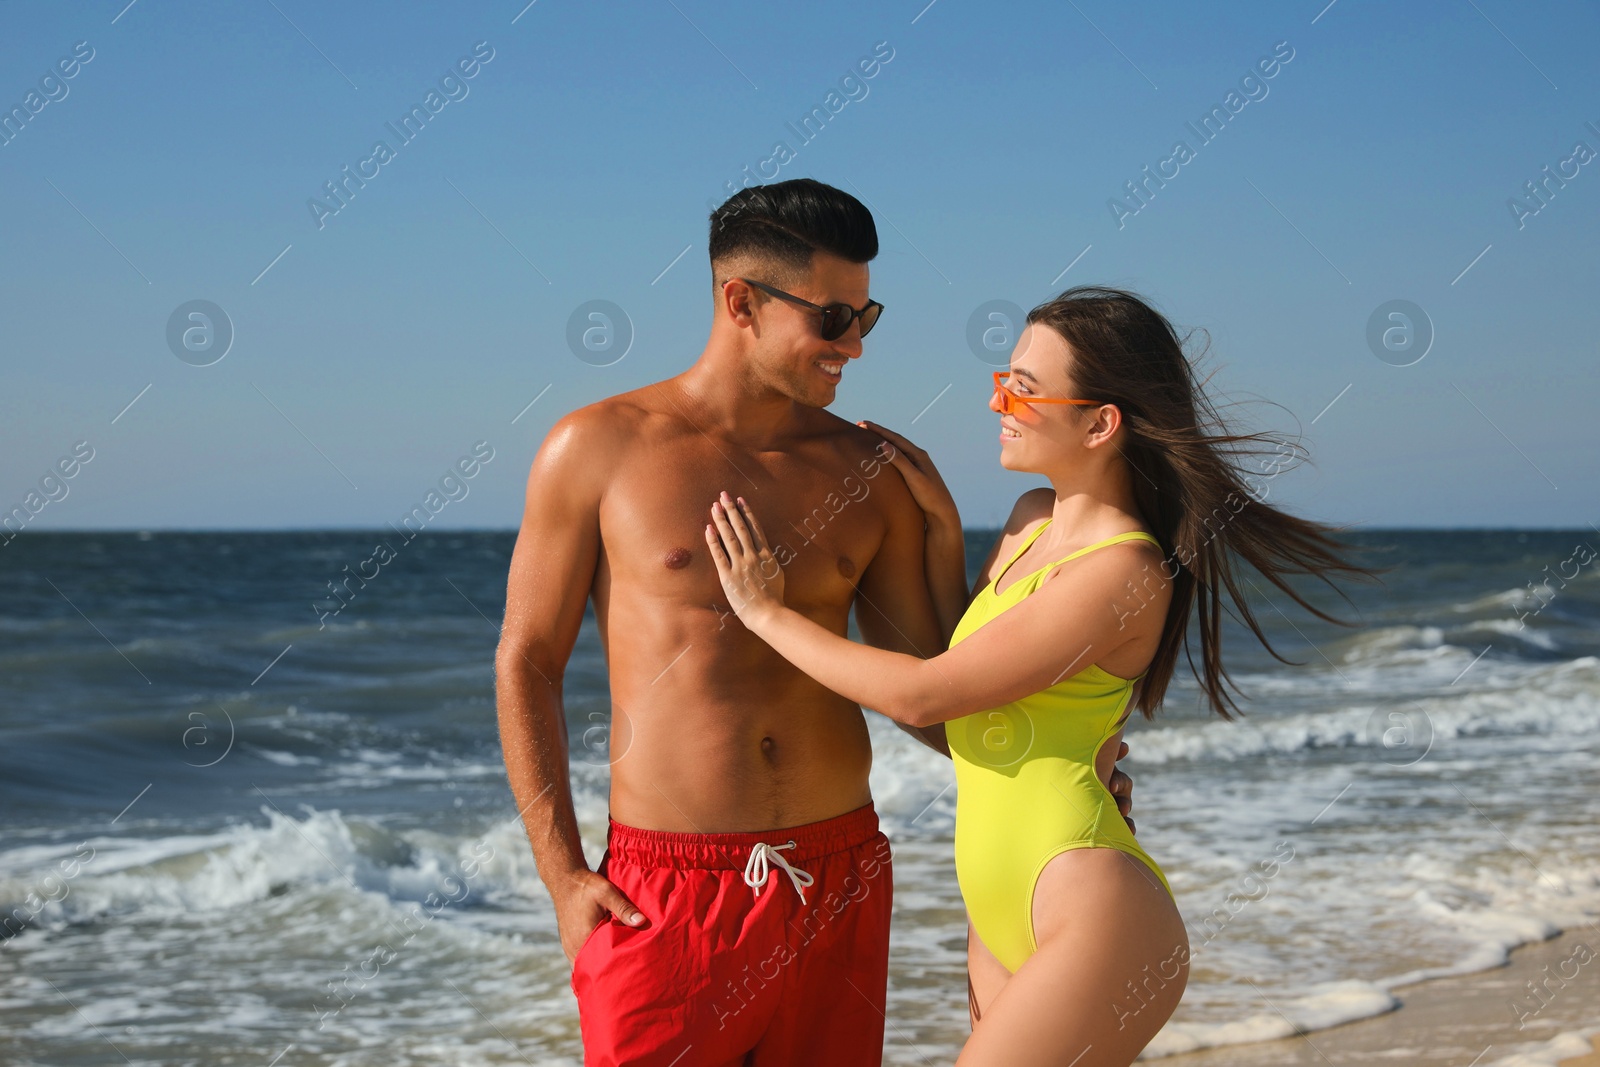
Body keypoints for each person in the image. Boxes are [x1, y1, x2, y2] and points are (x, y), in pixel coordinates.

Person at [495, 179, 1140, 1066]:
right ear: (741, 302)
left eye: (866, 317)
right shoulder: (598, 447)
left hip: (839, 877)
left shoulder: (868, 471)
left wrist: (1069, 765)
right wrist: (563, 876)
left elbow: (937, 693)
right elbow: (527, 660)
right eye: (834, 319)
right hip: (669, 893)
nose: (855, 347)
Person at [705, 286, 1372, 1066]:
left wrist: (765, 613)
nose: (998, 404)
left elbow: (924, 693)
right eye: (1002, 380)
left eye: (1022, 389)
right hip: (999, 910)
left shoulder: (1123, 572)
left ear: (1100, 422)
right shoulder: (1030, 520)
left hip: (1092, 908)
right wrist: (944, 531)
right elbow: (967, 665)